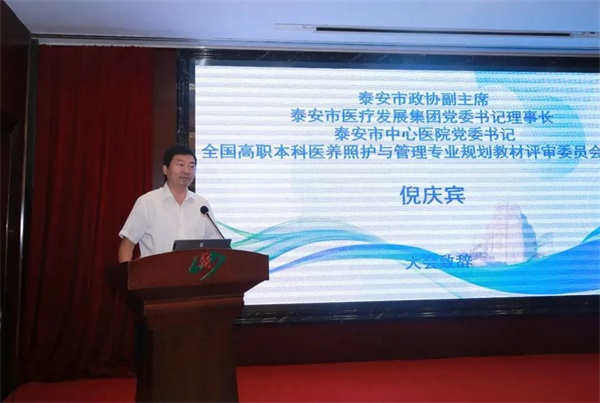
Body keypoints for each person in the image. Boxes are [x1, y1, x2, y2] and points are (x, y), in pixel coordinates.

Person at [118, 144, 221, 263]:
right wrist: (127, 273)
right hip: (156, 273)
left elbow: (216, 245)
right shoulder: (147, 202)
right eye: (180, 165)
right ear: (165, 169)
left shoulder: (201, 204)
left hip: (193, 273)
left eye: (191, 166)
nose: (187, 171)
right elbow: (127, 245)